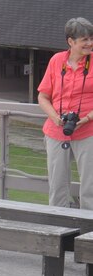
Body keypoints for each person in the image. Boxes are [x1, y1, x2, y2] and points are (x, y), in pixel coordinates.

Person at [37, 17, 93, 209]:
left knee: (90, 187)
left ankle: (89, 233)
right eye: (84, 39)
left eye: (91, 38)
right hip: (56, 132)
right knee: (57, 186)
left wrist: (86, 119)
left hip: (88, 132)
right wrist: (55, 117)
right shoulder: (56, 60)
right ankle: (57, 230)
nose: (90, 43)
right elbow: (43, 97)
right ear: (71, 41)